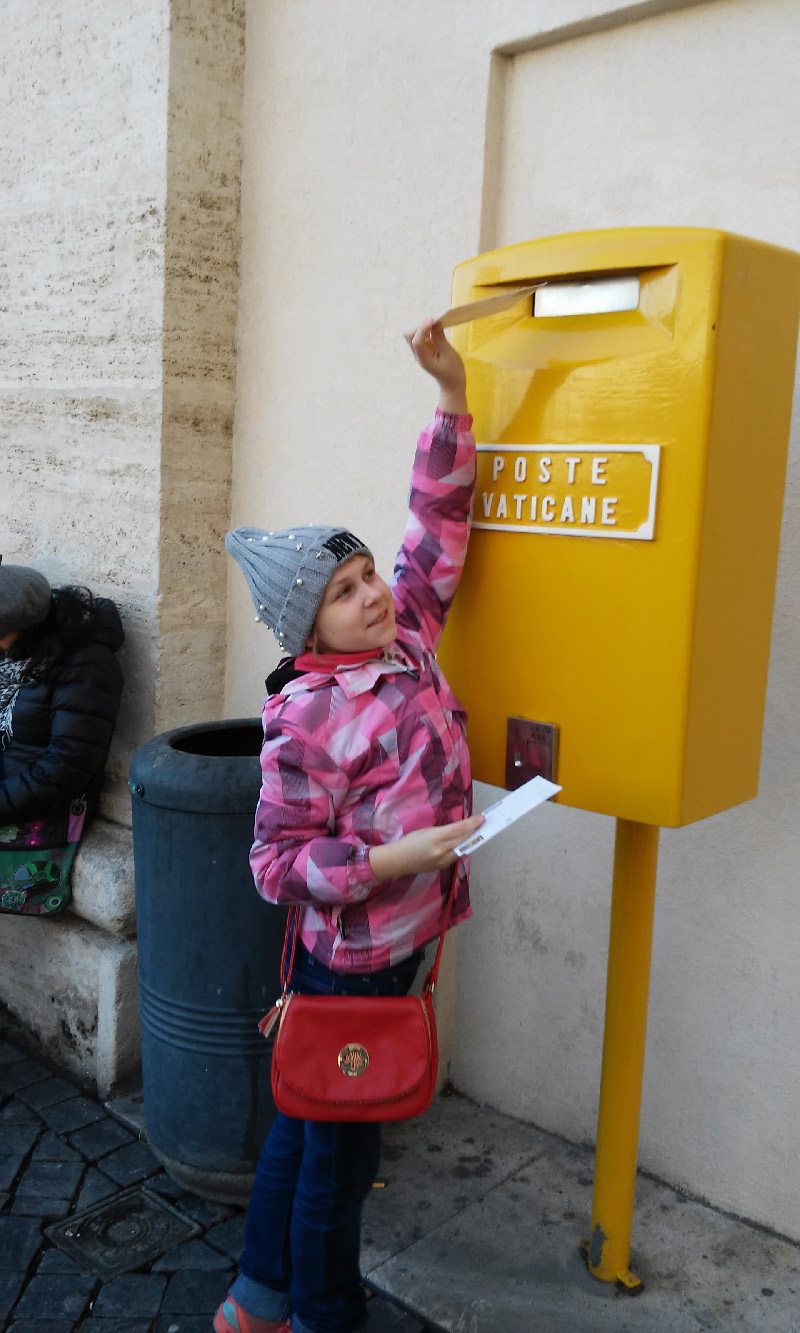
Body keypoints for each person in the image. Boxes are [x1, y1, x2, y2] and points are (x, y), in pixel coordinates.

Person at [219, 318, 484, 1333]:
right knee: (341, 1152)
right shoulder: (307, 715)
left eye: (366, 572)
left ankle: (255, 1298)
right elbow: (275, 862)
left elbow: (436, 525)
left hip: (405, 936)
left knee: (306, 1124)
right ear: (309, 626)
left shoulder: (405, 635)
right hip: (350, 963)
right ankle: (324, 1314)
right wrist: (387, 859)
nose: (372, 592)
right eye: (343, 590)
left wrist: (450, 396)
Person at [0, 563, 124, 862]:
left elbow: (66, 766)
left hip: (37, 807)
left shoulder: (85, 667)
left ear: (23, 628)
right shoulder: (13, 651)